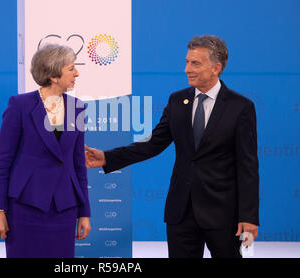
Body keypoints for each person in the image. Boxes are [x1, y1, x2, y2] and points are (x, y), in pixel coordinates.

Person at [85, 35, 259, 258]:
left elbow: (248, 165)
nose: (187, 69)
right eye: (187, 62)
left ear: (216, 68)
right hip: (181, 212)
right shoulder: (177, 101)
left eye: (195, 63)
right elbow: (153, 144)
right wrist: (108, 158)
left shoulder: (241, 107)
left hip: (223, 213)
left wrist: (249, 216)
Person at [0, 43, 91, 258]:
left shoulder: (78, 108)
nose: (77, 73)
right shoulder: (19, 105)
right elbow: (2, 162)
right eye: (71, 68)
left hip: (64, 209)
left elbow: (78, 165)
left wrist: (84, 213)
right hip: (25, 207)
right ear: (54, 75)